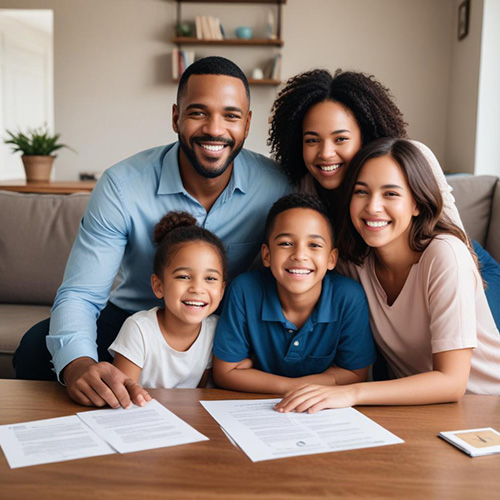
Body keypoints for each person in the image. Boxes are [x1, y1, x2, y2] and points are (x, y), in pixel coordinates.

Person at [13, 56, 292, 408]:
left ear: (247, 123)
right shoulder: (121, 185)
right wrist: (78, 364)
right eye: (198, 113)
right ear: (176, 116)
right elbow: (81, 294)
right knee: (38, 347)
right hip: (132, 318)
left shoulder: (276, 187)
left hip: (218, 327)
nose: (215, 129)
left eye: (231, 115)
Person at [275, 139, 500, 413]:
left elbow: (452, 382)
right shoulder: (353, 262)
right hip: (415, 409)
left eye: (390, 194)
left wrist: (350, 393)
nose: (373, 207)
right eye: (361, 192)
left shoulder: (445, 255)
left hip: (484, 407)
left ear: (417, 203)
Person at [268, 69, 500, 330]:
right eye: (312, 140)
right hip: (382, 294)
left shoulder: (411, 160)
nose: (326, 153)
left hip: (463, 271)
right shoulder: (306, 189)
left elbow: (456, 239)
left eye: (341, 139)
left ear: (365, 136)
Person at [213, 193, 376, 394]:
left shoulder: (348, 298)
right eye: (286, 243)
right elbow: (225, 373)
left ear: (331, 259)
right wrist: (294, 388)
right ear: (266, 255)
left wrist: (255, 377)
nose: (299, 255)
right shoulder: (245, 291)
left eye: (314, 245)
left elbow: (354, 374)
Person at [109, 211, 226, 391]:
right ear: (158, 286)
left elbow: (201, 393)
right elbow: (123, 394)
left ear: (222, 290)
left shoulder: (215, 330)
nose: (197, 288)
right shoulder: (139, 329)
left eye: (210, 279)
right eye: (184, 276)